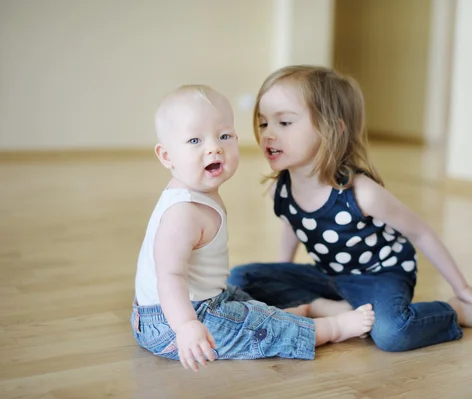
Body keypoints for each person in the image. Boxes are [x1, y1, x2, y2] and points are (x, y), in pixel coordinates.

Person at [227, 65, 472, 353]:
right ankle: (326, 306)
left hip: (380, 275)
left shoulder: (361, 192)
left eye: (285, 122)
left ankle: (456, 313)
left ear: (332, 130)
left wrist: (462, 288)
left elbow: (421, 233)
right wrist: (284, 269)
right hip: (330, 275)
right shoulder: (283, 186)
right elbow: (293, 222)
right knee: (241, 279)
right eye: (264, 123)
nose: (268, 134)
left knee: (393, 333)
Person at [130, 84, 375, 371]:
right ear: (167, 156)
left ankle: (301, 310)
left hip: (200, 302)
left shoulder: (197, 193)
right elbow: (169, 277)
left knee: (245, 304)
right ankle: (331, 329)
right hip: (173, 323)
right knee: (260, 331)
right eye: (195, 140)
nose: (214, 147)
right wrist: (186, 327)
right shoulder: (182, 212)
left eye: (224, 136)